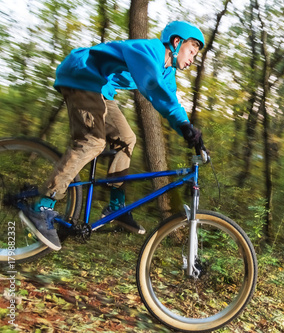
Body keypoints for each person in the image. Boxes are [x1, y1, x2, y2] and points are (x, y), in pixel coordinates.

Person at [19, 21, 205, 251]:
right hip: (82, 75)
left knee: (127, 139)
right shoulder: (149, 50)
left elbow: (171, 103)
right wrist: (185, 127)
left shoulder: (167, 71)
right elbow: (151, 84)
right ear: (176, 42)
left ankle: (116, 207)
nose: (192, 59)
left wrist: (188, 130)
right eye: (191, 51)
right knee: (92, 141)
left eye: (195, 55)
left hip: (101, 89)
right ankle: (42, 206)